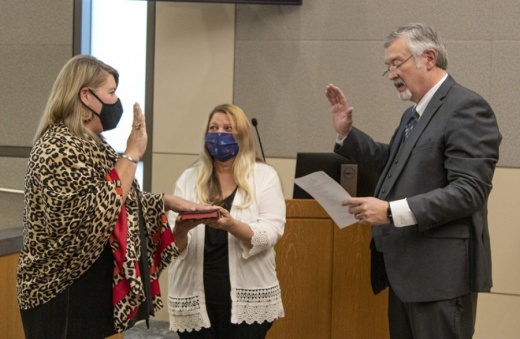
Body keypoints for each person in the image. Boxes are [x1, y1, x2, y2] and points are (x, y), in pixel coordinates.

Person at [325, 23, 501, 339]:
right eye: (388, 67)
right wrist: (347, 135)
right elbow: (393, 163)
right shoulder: (414, 114)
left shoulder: (466, 108)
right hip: (406, 273)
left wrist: (390, 212)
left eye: (397, 63)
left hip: (441, 279)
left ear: (429, 58)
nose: (391, 74)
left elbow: (469, 191)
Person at [16, 55, 209, 339]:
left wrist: (167, 203)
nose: (116, 100)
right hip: (59, 293)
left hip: (91, 294)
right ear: (86, 96)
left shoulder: (95, 144)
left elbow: (120, 202)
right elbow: (89, 220)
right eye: (111, 92)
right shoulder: (56, 146)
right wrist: (131, 154)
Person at [167, 104, 286, 339]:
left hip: (248, 295)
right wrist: (180, 229)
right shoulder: (188, 179)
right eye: (213, 128)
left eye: (227, 128)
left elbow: (271, 231)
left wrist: (232, 225)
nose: (219, 134)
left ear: (241, 135)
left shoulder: (264, 175)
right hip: (194, 297)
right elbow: (172, 247)